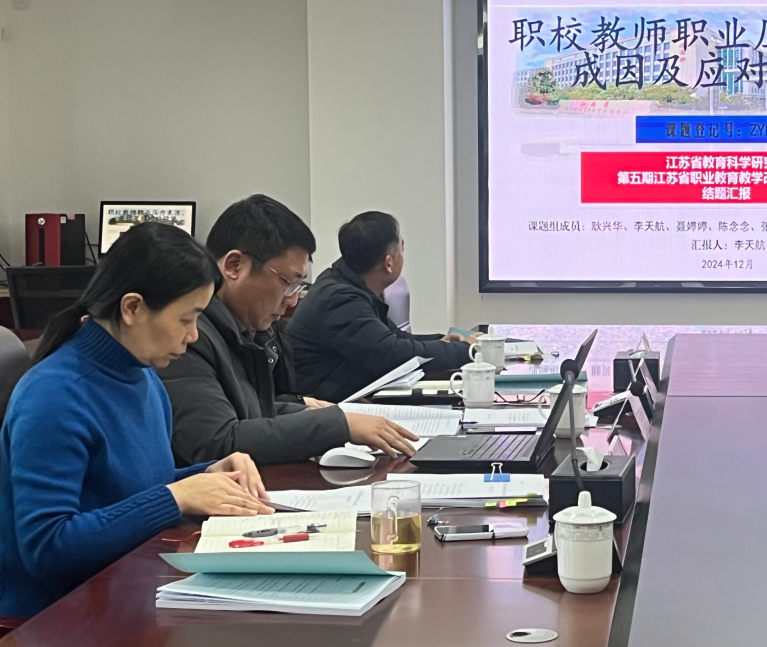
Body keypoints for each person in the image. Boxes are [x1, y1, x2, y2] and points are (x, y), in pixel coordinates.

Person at [0, 223, 273, 619]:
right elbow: (47, 547)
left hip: (128, 587)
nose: (193, 336)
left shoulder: (141, 374)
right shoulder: (53, 396)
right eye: (186, 319)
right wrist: (177, 496)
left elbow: (126, 489)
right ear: (132, 308)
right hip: (55, 616)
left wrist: (206, 476)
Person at [158, 196, 418, 466]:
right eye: (288, 283)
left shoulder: (249, 330)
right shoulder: (188, 338)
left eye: (299, 286)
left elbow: (253, 412)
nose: (292, 300)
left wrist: (305, 410)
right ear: (234, 266)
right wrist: (338, 425)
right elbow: (218, 441)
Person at [289, 211, 474, 401]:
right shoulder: (340, 299)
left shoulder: (349, 284)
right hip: (319, 403)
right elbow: (391, 354)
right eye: (402, 247)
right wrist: (467, 350)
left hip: (345, 394)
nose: (404, 253)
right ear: (389, 263)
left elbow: (393, 338)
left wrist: (442, 342)